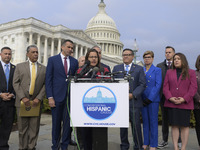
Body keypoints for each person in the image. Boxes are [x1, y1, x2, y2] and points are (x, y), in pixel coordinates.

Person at [45, 39, 78, 150]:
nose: (70, 49)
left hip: (69, 98)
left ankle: (64, 146)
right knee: (56, 124)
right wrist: (50, 97)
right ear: (62, 47)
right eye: (69, 47)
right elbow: (48, 79)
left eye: (72, 48)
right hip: (56, 97)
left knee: (67, 125)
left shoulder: (74, 62)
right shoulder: (52, 60)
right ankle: (55, 146)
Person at [13, 45, 46, 150]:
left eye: (37, 52)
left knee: (34, 127)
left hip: (36, 102)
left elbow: (45, 85)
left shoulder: (43, 68)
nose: (36, 54)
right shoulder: (19, 66)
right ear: (27, 54)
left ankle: (32, 147)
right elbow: (15, 83)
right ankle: (22, 147)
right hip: (22, 102)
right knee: (22, 128)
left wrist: (39, 98)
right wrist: (22, 97)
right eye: (33, 52)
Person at [112, 48, 146, 150]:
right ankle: (124, 146)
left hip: (134, 102)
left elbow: (142, 84)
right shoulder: (116, 68)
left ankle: (138, 146)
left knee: (136, 127)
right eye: (124, 55)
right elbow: (113, 83)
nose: (125, 56)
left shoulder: (139, 69)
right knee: (122, 127)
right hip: (121, 103)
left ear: (132, 56)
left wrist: (133, 94)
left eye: (128, 55)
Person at [76, 48, 110, 150]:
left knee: (99, 137)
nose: (93, 59)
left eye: (95, 57)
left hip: (100, 109)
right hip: (85, 108)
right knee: (85, 136)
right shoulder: (81, 71)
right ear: (87, 58)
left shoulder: (104, 70)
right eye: (91, 57)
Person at [163, 53, 197, 150]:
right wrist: (170, 98)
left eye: (178, 59)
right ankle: (175, 147)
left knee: (184, 127)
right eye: (175, 59)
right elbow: (165, 87)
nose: (176, 60)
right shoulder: (169, 72)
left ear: (183, 60)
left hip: (185, 104)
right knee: (174, 126)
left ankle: (183, 148)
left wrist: (184, 98)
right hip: (172, 103)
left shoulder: (191, 72)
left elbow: (193, 88)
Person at [157, 46, 177, 148]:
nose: (167, 54)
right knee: (165, 120)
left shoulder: (178, 65)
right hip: (163, 98)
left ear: (174, 53)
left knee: (176, 120)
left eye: (169, 52)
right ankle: (164, 140)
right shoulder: (159, 66)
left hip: (176, 98)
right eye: (166, 52)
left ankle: (178, 141)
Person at [141, 51, 162, 150]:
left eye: (149, 57)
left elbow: (158, 85)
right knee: (145, 122)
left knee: (153, 122)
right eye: (145, 57)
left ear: (152, 58)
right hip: (142, 98)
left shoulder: (157, 70)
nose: (146, 59)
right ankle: (146, 142)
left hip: (152, 100)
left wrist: (150, 98)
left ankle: (153, 144)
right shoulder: (141, 69)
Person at [0, 47, 16, 150]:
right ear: (0, 54)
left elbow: (18, 84)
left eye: (9, 54)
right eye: (5, 54)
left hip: (10, 102)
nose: (7, 56)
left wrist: (13, 94)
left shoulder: (15, 68)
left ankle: (3, 145)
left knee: (7, 125)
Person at [193, 55, 200, 149]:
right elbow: (193, 88)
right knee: (199, 126)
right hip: (197, 105)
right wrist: (198, 99)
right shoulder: (194, 74)